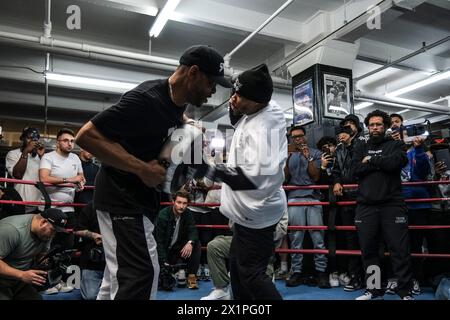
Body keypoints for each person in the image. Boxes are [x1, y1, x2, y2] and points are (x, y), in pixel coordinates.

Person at [75, 45, 231, 300]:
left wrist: (187, 126)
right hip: (121, 197)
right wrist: (142, 168)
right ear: (193, 72)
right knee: (140, 274)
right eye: (211, 82)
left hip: (137, 199)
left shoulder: (173, 102)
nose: (214, 90)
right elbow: (86, 136)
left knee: (118, 276)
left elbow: (171, 116)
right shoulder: (145, 99)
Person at [218, 64, 287, 300]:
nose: (233, 99)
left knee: (251, 274)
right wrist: (237, 108)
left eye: (239, 96)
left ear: (257, 101)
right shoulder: (265, 107)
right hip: (249, 214)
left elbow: (250, 180)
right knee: (238, 269)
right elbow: (242, 121)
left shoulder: (263, 132)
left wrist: (209, 170)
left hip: (256, 214)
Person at [352, 109, 414, 300]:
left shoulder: (395, 144)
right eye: (371, 125)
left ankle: (405, 291)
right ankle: (373, 289)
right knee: (369, 250)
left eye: (379, 124)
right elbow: (354, 169)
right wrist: (380, 163)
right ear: (368, 127)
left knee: (399, 250)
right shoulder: (360, 146)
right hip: (366, 206)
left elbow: (396, 163)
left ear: (385, 126)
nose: (375, 128)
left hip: (392, 205)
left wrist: (371, 160)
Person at [285, 125, 329, 289]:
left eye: (300, 136)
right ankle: (296, 271)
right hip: (295, 198)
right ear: (291, 139)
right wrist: (288, 158)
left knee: (318, 237)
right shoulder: (288, 154)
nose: (298, 139)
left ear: (305, 136)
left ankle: (321, 272)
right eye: (295, 137)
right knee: (296, 238)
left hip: (312, 197)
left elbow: (316, 176)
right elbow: (284, 177)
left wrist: (308, 157)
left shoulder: (316, 153)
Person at [0, 208, 68, 300]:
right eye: (53, 230)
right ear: (43, 222)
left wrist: (49, 263)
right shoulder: (11, 230)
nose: (53, 235)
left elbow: (41, 255)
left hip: (19, 279)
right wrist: (21, 275)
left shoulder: (45, 233)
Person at [154, 191, 201, 290]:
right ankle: (166, 272)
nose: (181, 206)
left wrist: (190, 242)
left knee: (195, 243)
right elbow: (159, 242)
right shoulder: (163, 215)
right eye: (179, 202)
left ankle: (192, 276)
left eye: (184, 203)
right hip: (164, 252)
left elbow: (193, 229)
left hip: (177, 250)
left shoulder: (187, 213)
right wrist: (164, 262)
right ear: (173, 202)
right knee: (162, 282)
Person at [5, 127, 45, 213]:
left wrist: (42, 157)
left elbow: (46, 176)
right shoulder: (13, 154)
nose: (32, 141)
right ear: (22, 139)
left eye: (35, 138)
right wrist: (26, 152)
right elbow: (18, 175)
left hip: (39, 203)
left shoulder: (41, 156)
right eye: (29, 138)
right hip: (21, 201)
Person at [73, 202, 105, 300]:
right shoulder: (91, 207)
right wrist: (94, 235)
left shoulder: (121, 207)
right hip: (93, 259)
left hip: (116, 259)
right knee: (90, 296)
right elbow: (76, 230)